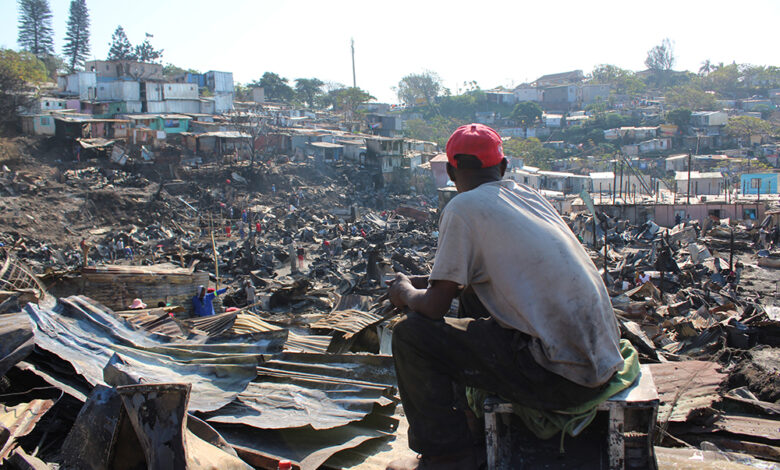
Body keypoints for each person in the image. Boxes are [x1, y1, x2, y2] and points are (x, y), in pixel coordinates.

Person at [385, 124, 623, 470]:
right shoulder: (530, 197)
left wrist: (404, 291)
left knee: (411, 335)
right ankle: (471, 426)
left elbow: (434, 307)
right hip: (600, 361)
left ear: (452, 172)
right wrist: (428, 280)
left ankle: (447, 455)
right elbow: (468, 278)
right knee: (470, 300)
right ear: (504, 166)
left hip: (559, 376)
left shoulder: (462, 208)